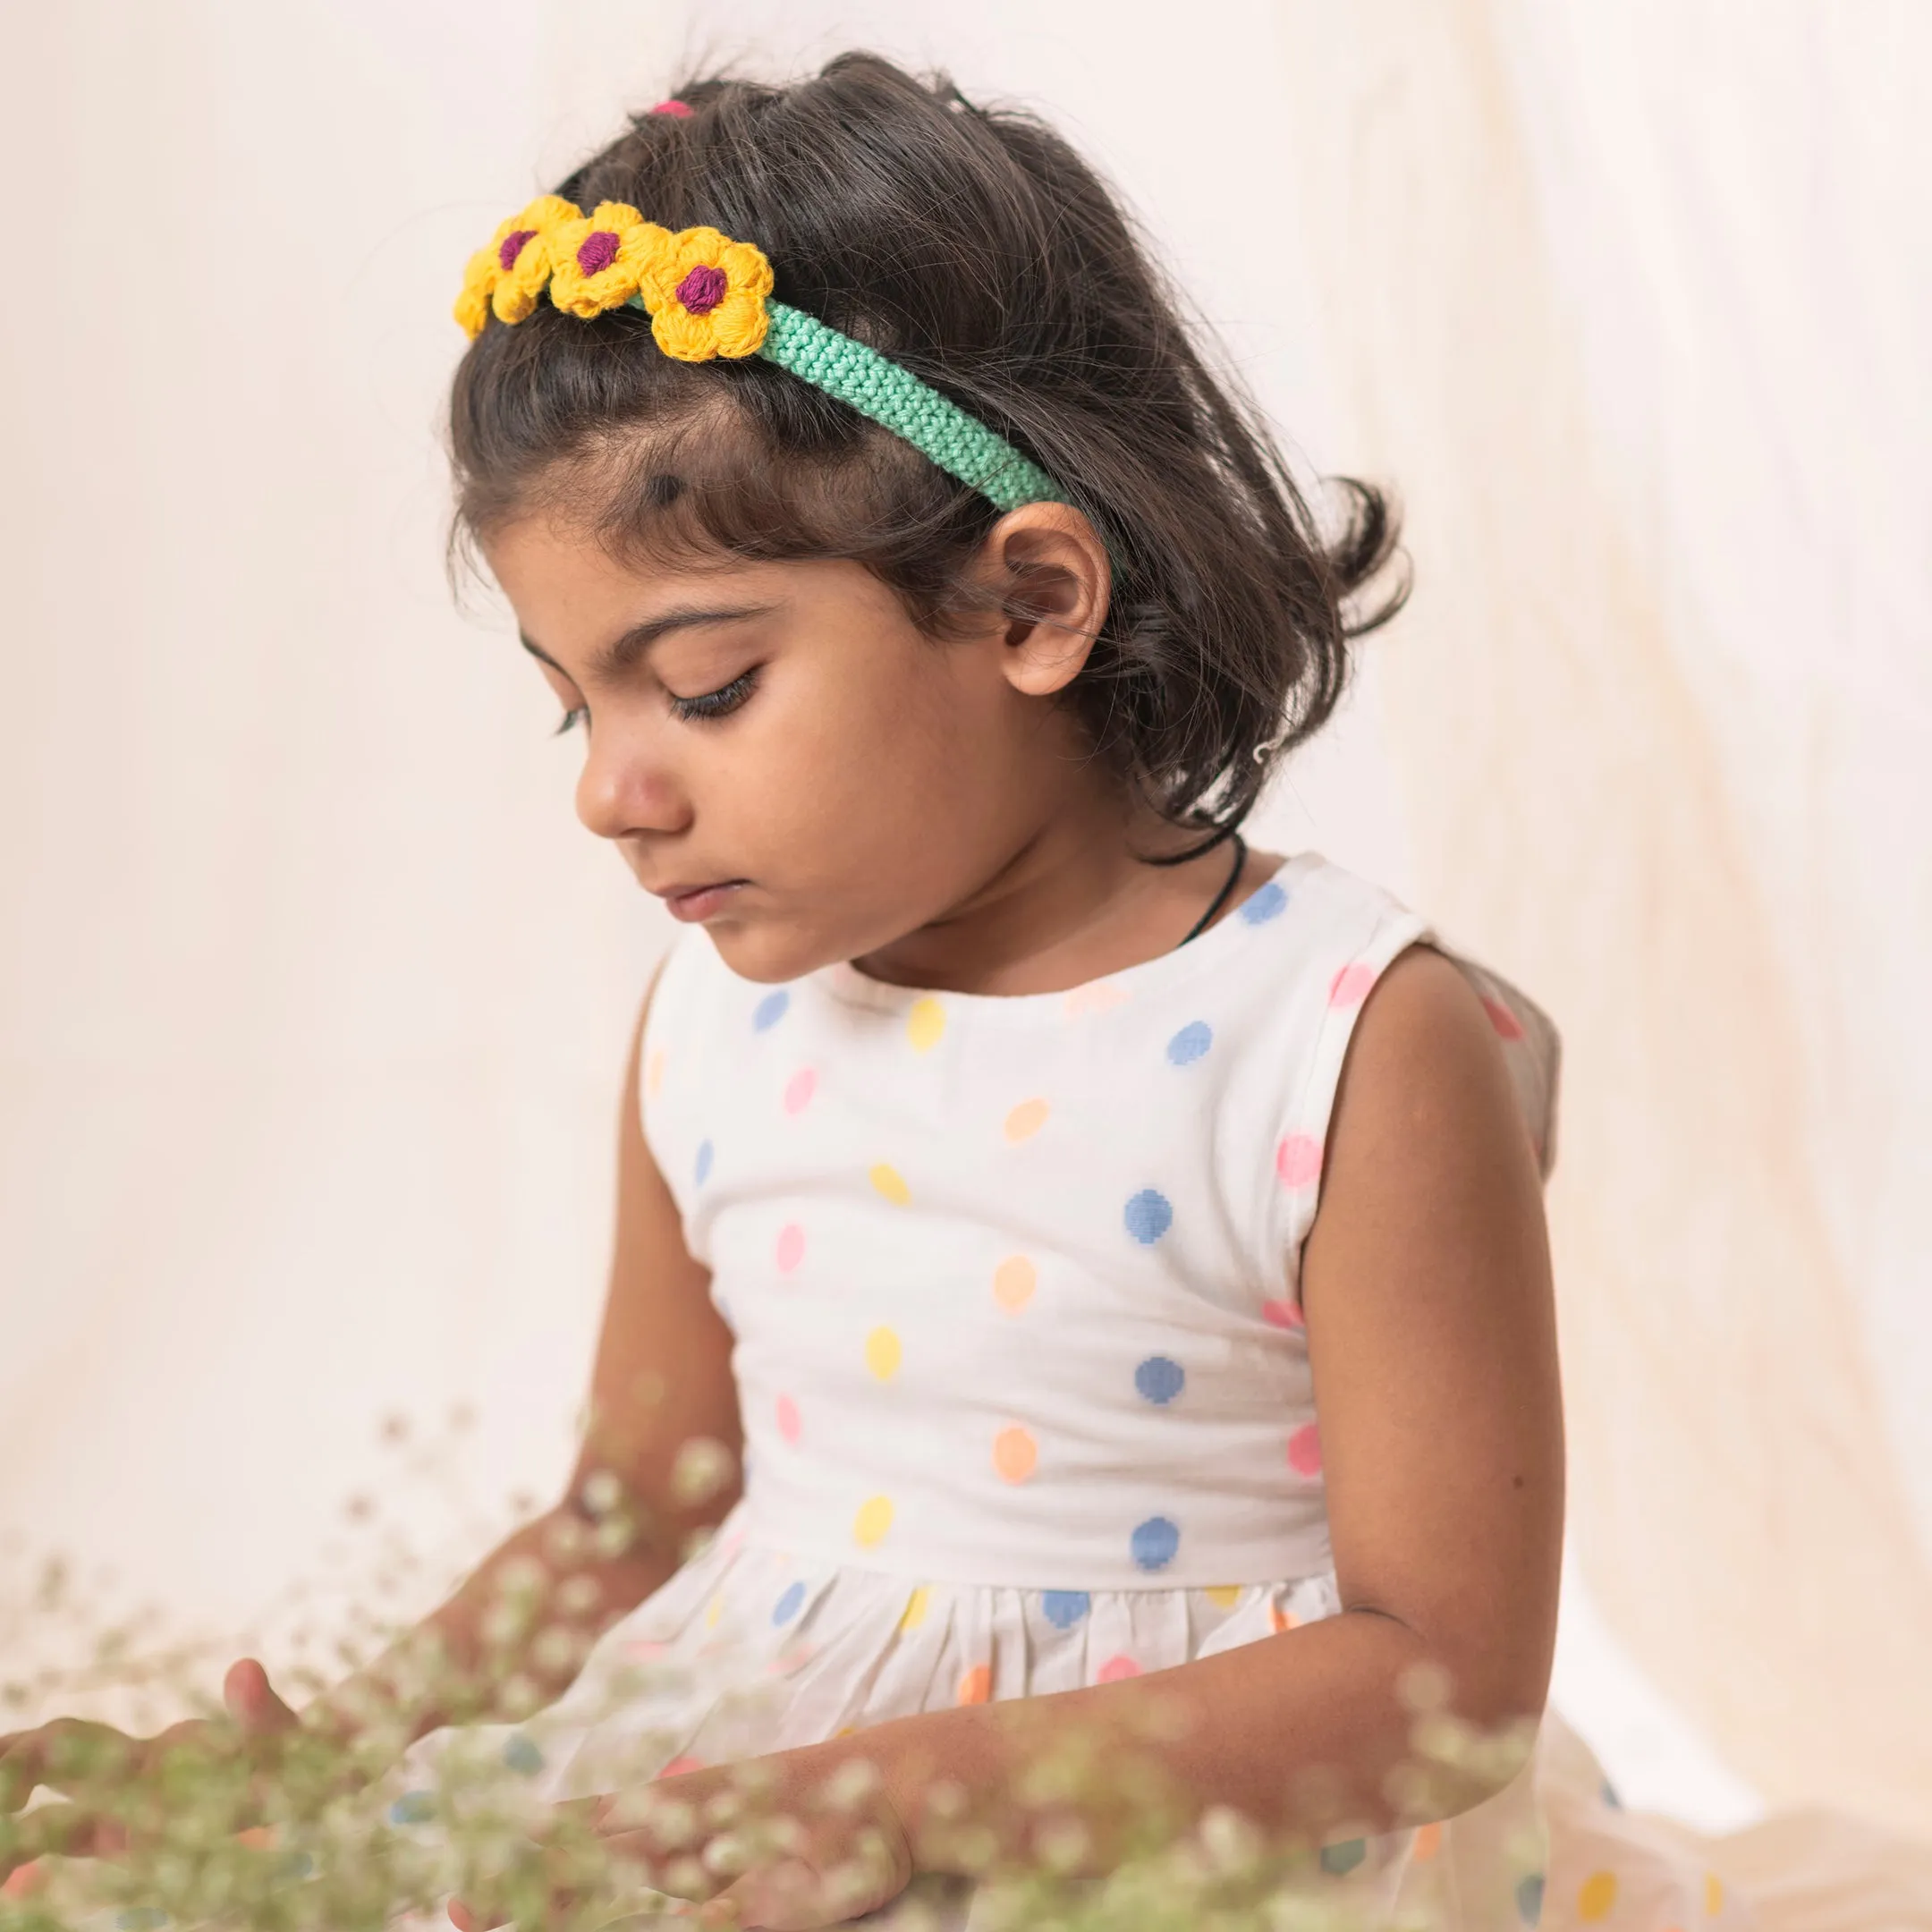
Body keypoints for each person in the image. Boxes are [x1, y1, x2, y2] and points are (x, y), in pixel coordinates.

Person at [1, 50, 1751, 1932]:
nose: (609, 789)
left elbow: (1447, 1679)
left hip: (1185, 1839)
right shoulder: (709, 1031)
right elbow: (628, 1510)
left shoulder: (1341, 1039)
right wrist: (336, 1754)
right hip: (753, 1786)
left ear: (1028, 605)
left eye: (707, 684)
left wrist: (889, 1802)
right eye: (572, 698)